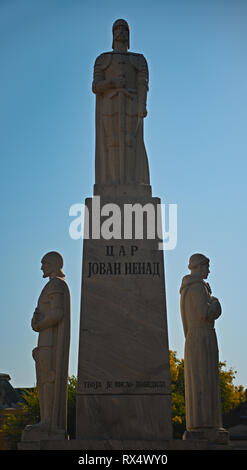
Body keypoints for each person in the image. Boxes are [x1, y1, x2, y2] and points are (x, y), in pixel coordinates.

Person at [92, 19, 150, 187]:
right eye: (118, 29)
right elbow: (96, 86)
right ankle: (113, 181)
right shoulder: (103, 59)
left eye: (124, 29)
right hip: (110, 105)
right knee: (112, 142)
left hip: (131, 104)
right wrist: (112, 83)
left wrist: (142, 106)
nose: (121, 32)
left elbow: (142, 84)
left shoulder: (138, 60)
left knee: (130, 141)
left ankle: (131, 180)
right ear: (113, 34)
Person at [22, 252, 70, 440]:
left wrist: (39, 324)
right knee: (43, 381)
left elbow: (57, 313)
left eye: (44, 263)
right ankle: (46, 420)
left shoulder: (56, 284)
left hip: (49, 342)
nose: (42, 267)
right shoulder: (51, 285)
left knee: (48, 380)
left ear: (54, 264)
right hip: (44, 341)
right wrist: (37, 322)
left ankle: (49, 421)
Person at [180, 253, 228, 442]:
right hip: (202, 336)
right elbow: (204, 313)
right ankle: (206, 424)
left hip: (195, 336)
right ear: (199, 267)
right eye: (207, 267)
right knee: (203, 380)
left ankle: (202, 422)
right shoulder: (197, 286)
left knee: (201, 380)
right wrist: (217, 304)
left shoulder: (188, 288)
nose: (208, 270)